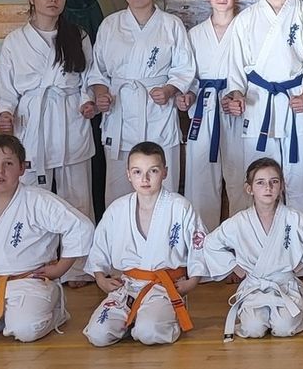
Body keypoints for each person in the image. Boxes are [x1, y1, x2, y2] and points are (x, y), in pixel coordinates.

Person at [0, 135, 93, 343]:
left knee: (26, 330)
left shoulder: (38, 200)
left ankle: (55, 312)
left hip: (30, 282)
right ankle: (3, 320)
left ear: (22, 168)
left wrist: (60, 268)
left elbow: (80, 227)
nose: (0, 171)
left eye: (8, 164)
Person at [221, 0, 303, 215]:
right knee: (260, 182)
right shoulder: (245, 19)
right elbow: (236, 67)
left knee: (301, 181)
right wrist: (237, 95)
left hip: (295, 102)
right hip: (258, 104)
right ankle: (259, 238)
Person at [85, 0, 195, 204]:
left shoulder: (171, 24)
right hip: (121, 112)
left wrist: (169, 90)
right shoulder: (110, 25)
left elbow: (184, 68)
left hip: (157, 113)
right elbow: (97, 71)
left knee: (162, 186)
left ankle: (165, 228)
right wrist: (102, 94)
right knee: (119, 190)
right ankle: (121, 229)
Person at [0, 0, 97, 235]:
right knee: (31, 194)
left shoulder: (78, 35)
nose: (53, 0)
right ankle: (34, 254)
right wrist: (5, 112)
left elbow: (89, 78)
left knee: (77, 195)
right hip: (32, 121)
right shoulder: (15, 41)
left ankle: (79, 256)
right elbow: (6, 86)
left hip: (69, 116)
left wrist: (88, 101)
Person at [84, 142, 209, 346]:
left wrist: (192, 281)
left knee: (148, 332)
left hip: (164, 287)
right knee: (98, 335)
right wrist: (100, 278)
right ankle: (135, 318)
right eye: (137, 172)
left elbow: (199, 247)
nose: (145, 179)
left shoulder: (180, 207)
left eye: (153, 171)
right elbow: (99, 248)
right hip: (127, 287)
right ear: (128, 174)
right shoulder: (118, 209)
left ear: (165, 172)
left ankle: (157, 318)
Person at [198, 158, 303, 340]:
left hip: (285, 285)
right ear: (249, 188)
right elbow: (211, 243)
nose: (268, 187)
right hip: (254, 286)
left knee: (284, 328)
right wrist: (234, 266)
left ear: (282, 186)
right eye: (260, 182)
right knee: (253, 329)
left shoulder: (293, 218)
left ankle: (294, 314)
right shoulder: (239, 222)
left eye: (274, 181)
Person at [178, 0, 246, 227]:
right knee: (200, 179)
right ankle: (202, 242)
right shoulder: (195, 34)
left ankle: (243, 241)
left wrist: (240, 95)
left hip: (238, 110)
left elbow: (255, 72)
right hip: (204, 110)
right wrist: (187, 95)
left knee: (241, 176)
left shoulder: (246, 29)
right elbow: (189, 76)